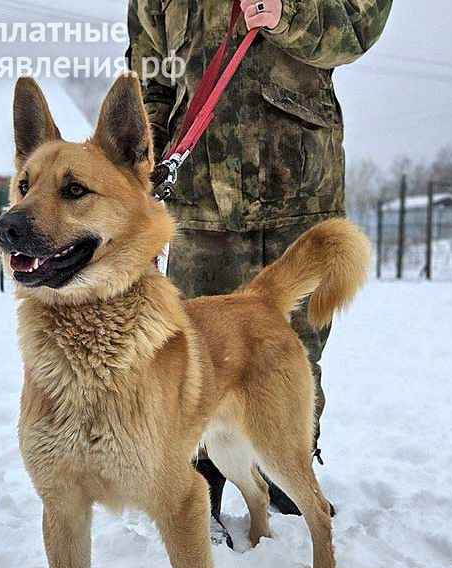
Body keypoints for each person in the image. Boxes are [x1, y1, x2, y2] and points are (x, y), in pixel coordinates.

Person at [127, 0, 392, 529]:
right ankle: (203, 486)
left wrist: (287, 13)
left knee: (293, 349)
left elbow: (359, 28)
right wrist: (142, 171)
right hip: (199, 197)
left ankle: (289, 469)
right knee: (195, 353)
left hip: (295, 182)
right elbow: (148, 78)